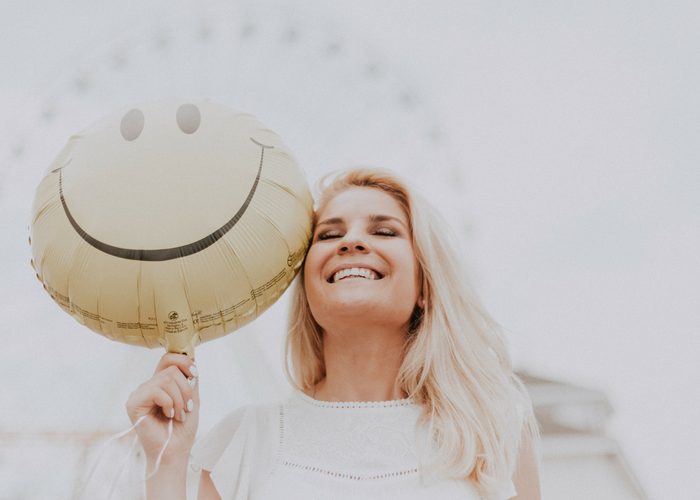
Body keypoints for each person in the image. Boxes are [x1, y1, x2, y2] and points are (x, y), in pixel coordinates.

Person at [126, 168, 541, 499]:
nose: (352, 241)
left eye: (384, 231)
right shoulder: (247, 442)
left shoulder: (490, 431)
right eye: (329, 234)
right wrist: (165, 462)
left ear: (426, 289)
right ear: (307, 288)